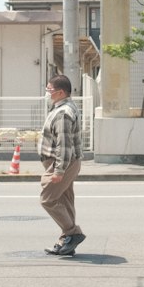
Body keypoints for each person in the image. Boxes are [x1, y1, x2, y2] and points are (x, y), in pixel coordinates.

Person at [39, 74, 85, 256]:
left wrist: (58, 171)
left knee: (48, 199)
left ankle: (73, 233)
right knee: (65, 200)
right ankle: (67, 241)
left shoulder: (63, 113)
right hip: (68, 162)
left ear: (60, 92)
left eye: (49, 90)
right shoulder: (64, 107)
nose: (47, 93)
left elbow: (63, 145)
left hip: (62, 163)